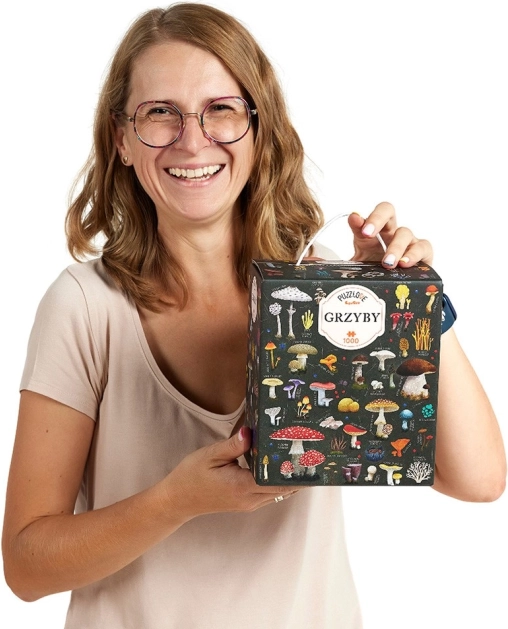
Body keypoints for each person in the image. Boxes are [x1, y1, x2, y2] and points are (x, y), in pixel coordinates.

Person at [2, 3, 505, 628]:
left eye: (221, 109)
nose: (193, 140)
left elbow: (479, 478)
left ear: (258, 128)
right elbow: (26, 566)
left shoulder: (327, 293)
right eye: (160, 113)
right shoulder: (86, 306)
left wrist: (407, 297)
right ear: (122, 141)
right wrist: (175, 501)